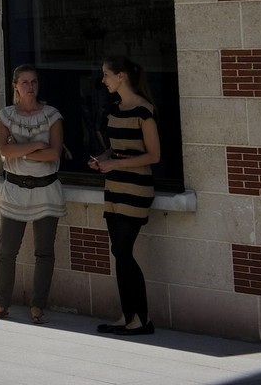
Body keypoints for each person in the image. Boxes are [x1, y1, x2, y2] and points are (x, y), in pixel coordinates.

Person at [0, 64, 65, 324]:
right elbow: (4, 150)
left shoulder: (52, 115)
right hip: (15, 189)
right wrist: (37, 145)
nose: (30, 87)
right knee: (6, 251)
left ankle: (38, 306)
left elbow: (54, 153)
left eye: (34, 82)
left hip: (46, 190)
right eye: (25, 82)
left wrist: (23, 150)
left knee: (44, 252)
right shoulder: (6, 115)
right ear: (15, 85)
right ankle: (1, 304)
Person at [90, 55, 161, 336]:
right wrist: (102, 159)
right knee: (118, 253)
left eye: (106, 74)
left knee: (122, 251)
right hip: (114, 188)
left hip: (136, 189)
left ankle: (142, 319)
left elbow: (154, 155)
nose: (103, 80)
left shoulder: (145, 111)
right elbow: (117, 148)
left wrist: (115, 164)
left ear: (121, 76)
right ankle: (127, 315)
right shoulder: (114, 110)